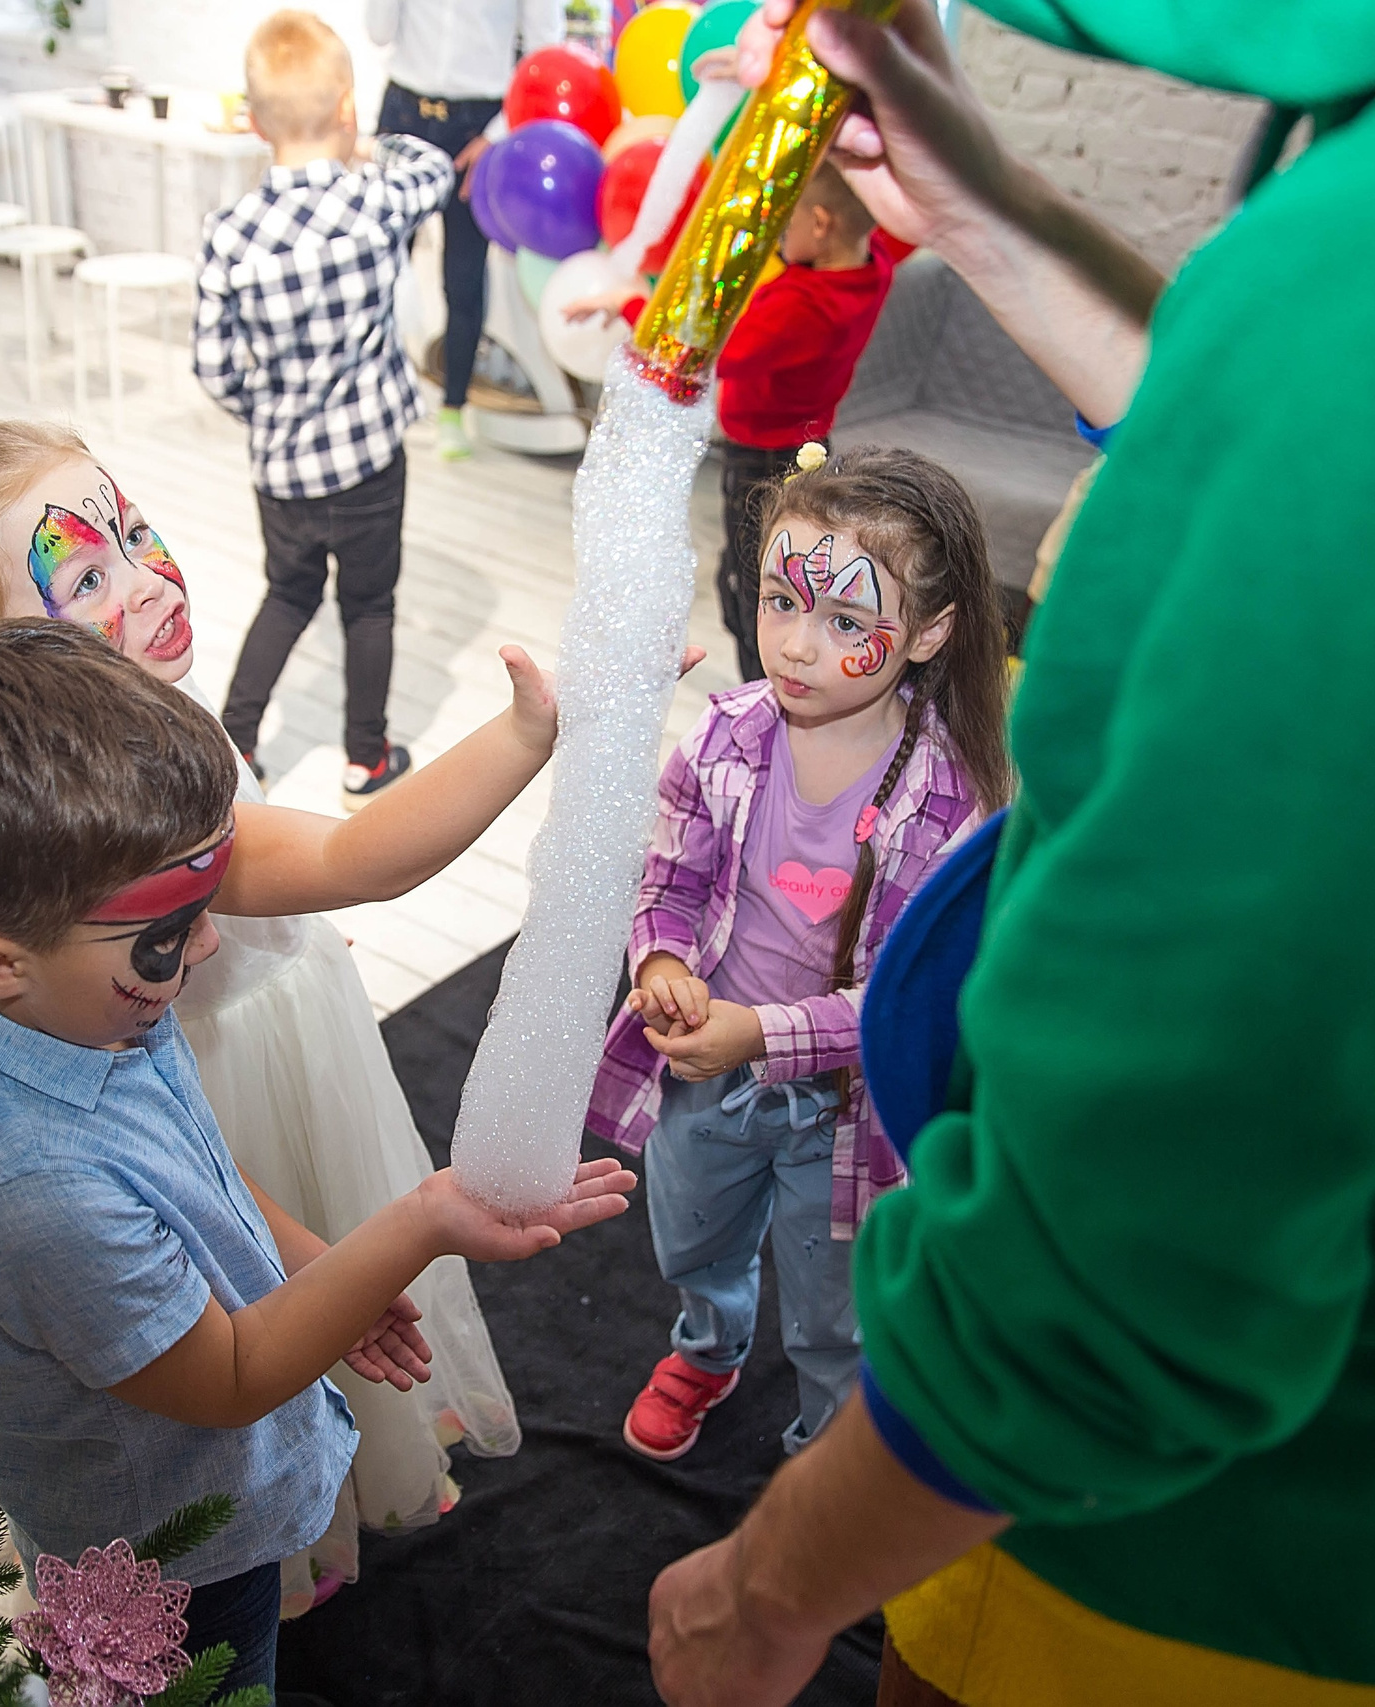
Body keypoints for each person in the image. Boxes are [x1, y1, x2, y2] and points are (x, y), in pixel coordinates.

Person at [645, 0, 1375, 1703]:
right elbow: (1304, 474)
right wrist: (1000, 223)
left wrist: (770, 1585)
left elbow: (1121, 1283)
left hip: (1205, 1568)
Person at [0, 618, 638, 1697]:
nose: (204, 945)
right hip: (163, 1562)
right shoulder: (35, 1193)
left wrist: (315, 1268)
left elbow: (190, 1156)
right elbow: (230, 1379)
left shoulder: (72, 996)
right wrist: (418, 1223)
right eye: (167, 931)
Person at [590, 448, 1010, 1464]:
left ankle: (828, 1440)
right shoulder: (728, 737)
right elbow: (668, 880)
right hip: (706, 1081)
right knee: (692, 1239)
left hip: (846, 1118)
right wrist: (661, 965)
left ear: (929, 634)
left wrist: (756, 1036)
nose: (796, 646)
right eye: (781, 600)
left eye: (848, 623)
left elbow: (907, 1005)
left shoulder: (951, 803)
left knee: (834, 1307)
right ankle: (709, 1342)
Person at [194, 10, 455, 806]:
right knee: (369, 606)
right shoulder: (377, 200)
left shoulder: (229, 232)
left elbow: (212, 367)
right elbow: (436, 166)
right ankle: (364, 758)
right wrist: (377, 143)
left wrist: (270, 409)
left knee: (287, 594)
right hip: (370, 457)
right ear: (347, 109)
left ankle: (235, 744)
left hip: (282, 468)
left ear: (254, 120)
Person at [569, 161, 904, 680]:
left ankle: (766, 701)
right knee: (770, 581)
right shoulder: (872, 268)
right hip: (810, 449)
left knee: (757, 596)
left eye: (786, 226)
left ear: (820, 224)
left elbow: (711, 352)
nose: (778, 240)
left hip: (763, 461)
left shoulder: (803, 304)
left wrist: (631, 304)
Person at [364, 0, 568, 461]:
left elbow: (543, 55)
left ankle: (454, 407)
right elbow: (379, 31)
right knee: (378, 266)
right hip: (404, 112)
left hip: (478, 122)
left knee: (464, 276)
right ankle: (375, 397)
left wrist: (497, 133)